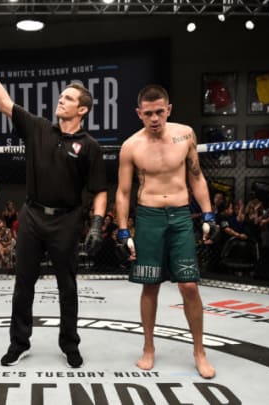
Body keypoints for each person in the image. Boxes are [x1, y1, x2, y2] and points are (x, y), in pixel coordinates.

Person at [0, 64, 108, 368]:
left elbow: (99, 190)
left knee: (67, 286)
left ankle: (69, 344)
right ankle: (19, 343)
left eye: (68, 98)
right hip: (32, 215)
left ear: (82, 109)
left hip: (67, 220)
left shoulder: (90, 147)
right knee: (23, 283)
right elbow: (2, 101)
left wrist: (95, 225)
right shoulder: (38, 127)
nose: (60, 100)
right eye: (61, 97)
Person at [115, 84, 216, 379]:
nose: (155, 118)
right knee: (151, 285)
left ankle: (199, 351)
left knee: (189, 286)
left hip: (181, 215)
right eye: (148, 113)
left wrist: (209, 212)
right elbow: (122, 192)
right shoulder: (131, 146)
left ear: (168, 109)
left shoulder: (185, 134)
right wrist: (123, 230)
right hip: (148, 217)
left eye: (160, 111)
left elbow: (197, 177)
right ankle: (148, 348)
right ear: (139, 114)